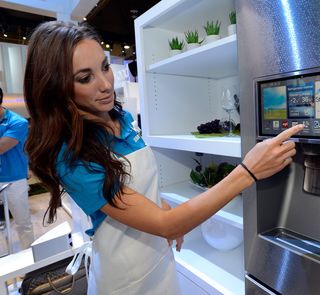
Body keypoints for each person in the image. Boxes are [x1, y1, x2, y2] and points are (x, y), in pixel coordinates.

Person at [23, 21, 303, 295]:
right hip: (125, 279)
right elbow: (164, 224)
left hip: (159, 256)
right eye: (85, 78)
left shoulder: (121, 119)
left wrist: (166, 209)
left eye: (105, 67)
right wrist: (248, 172)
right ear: (57, 88)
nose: (106, 84)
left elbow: (138, 189)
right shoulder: (72, 157)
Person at [0, 87, 34, 250]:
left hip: (14, 180)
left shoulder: (18, 122)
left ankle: (30, 268)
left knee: (23, 223)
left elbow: (1, 147)